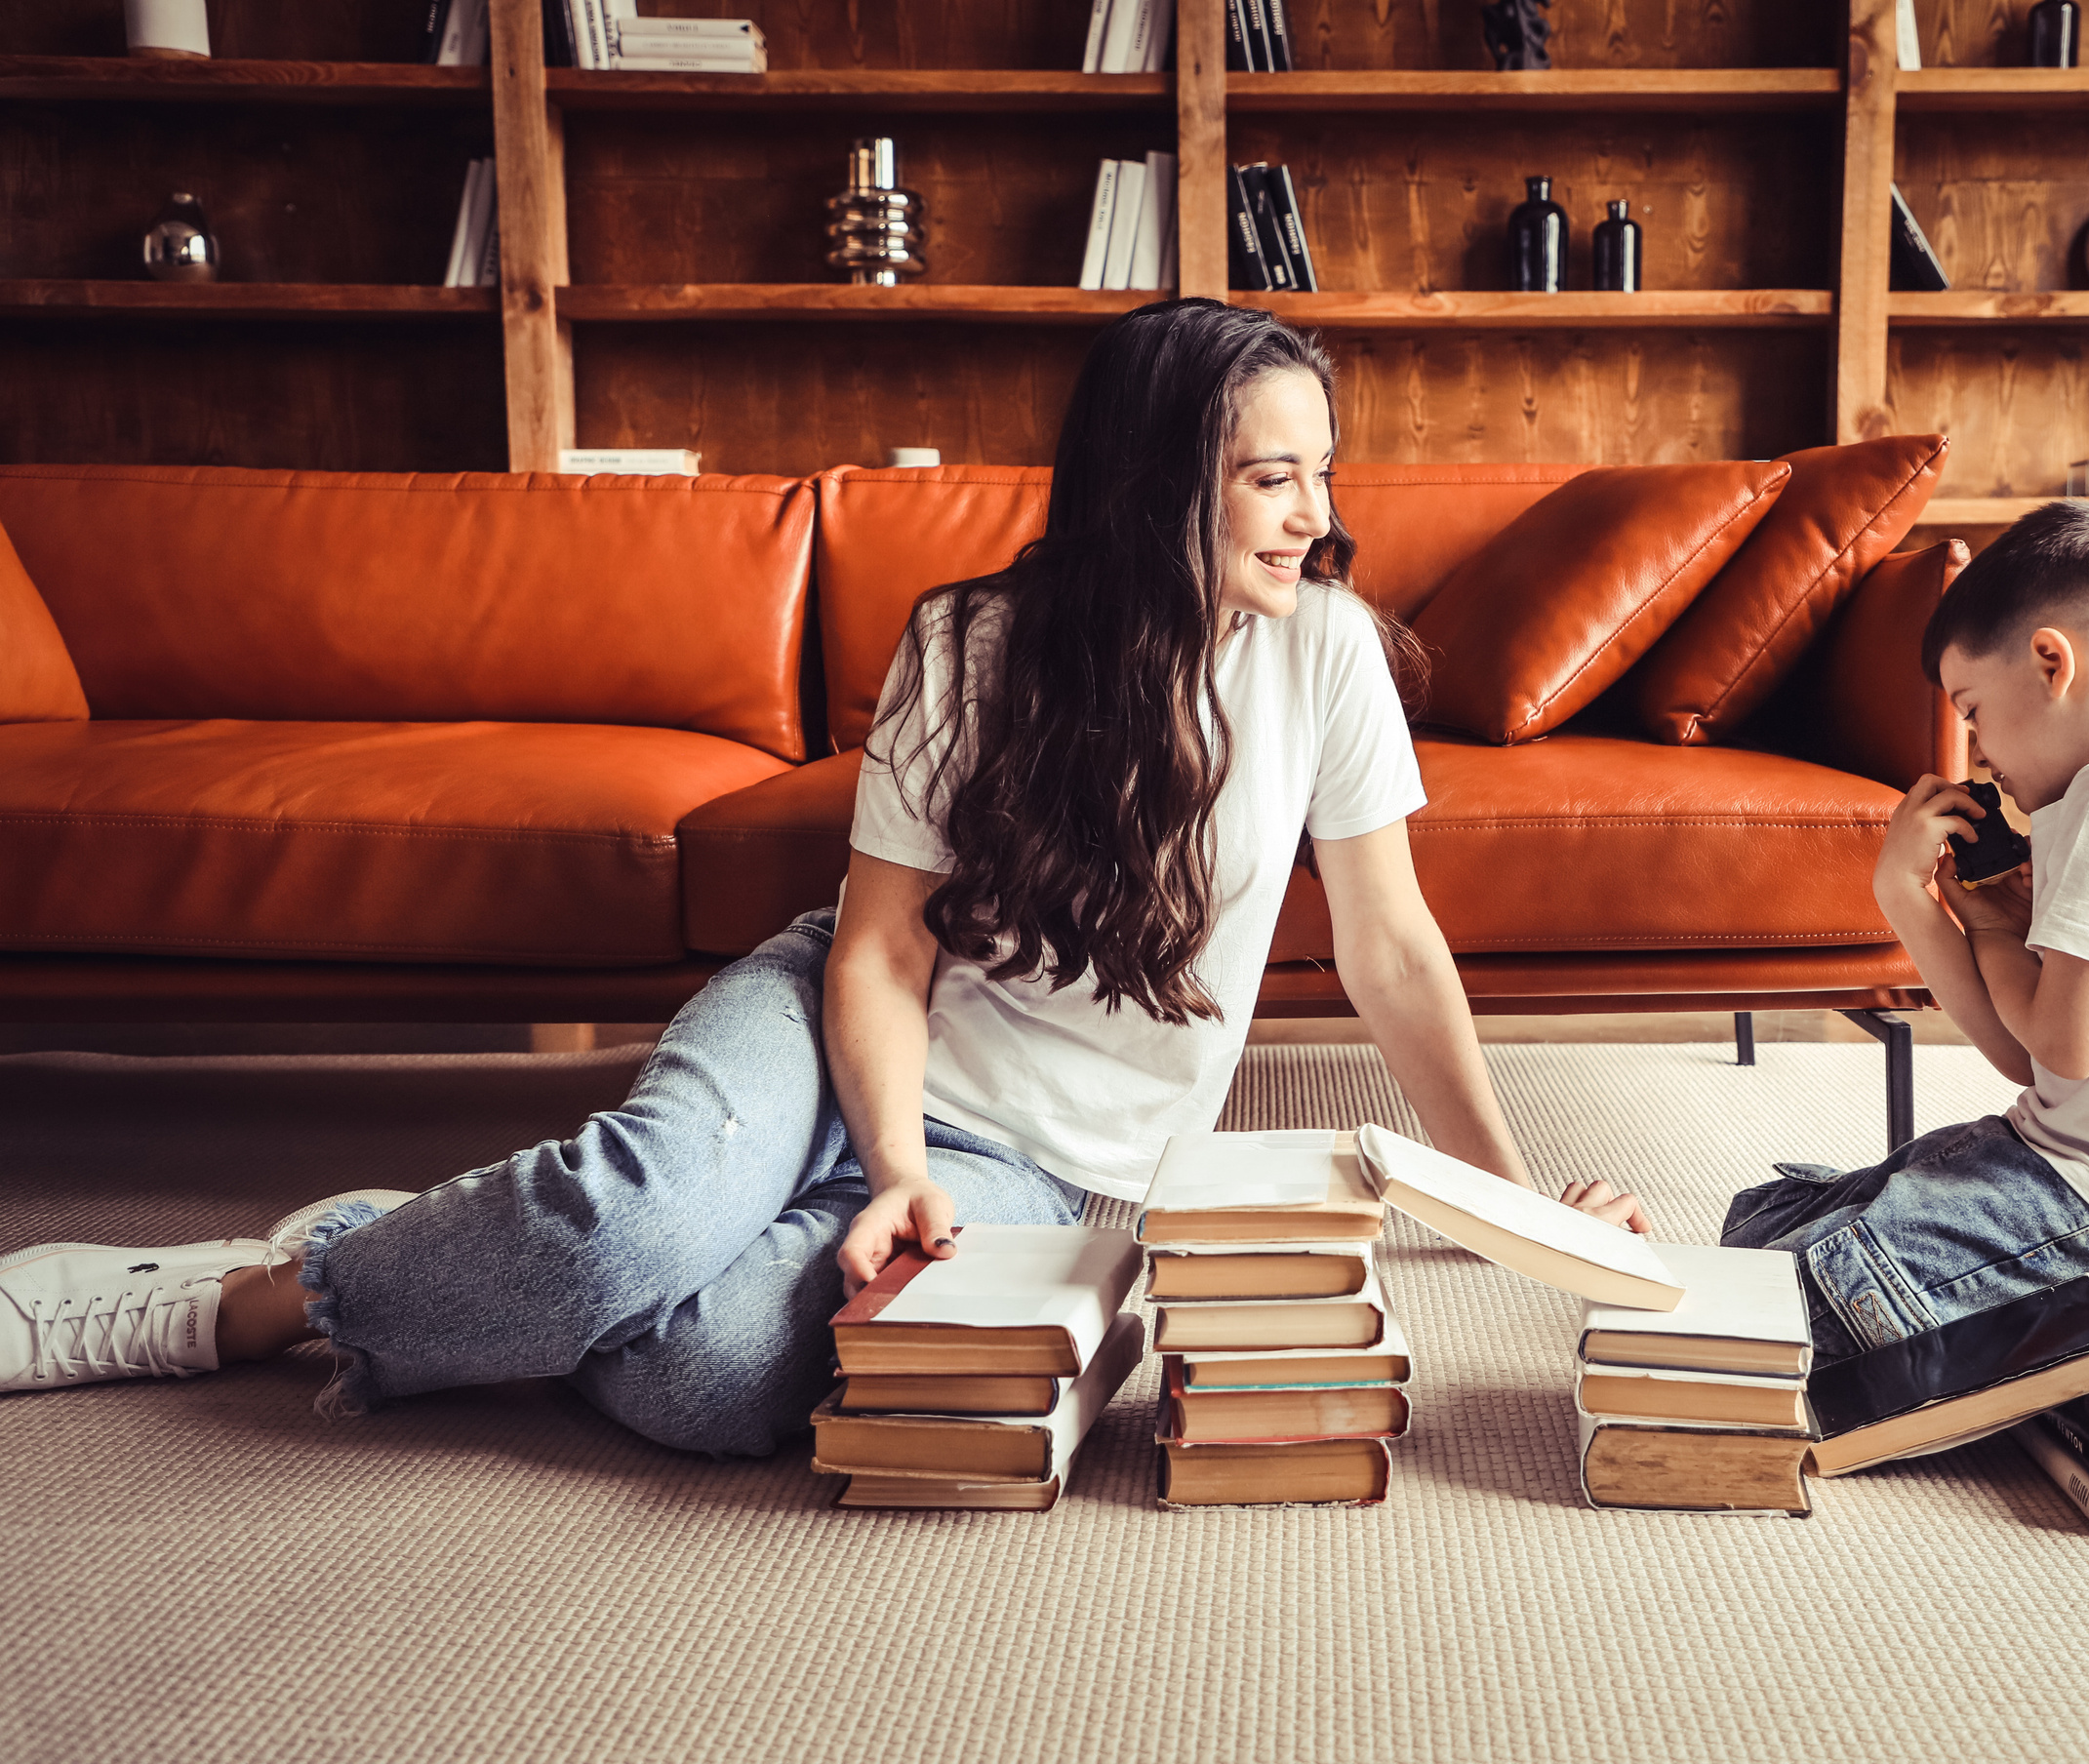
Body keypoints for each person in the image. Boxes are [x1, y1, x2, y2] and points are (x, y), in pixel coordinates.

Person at [0, 300, 1645, 1452]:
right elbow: (873, 950)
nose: (1318, 516)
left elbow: (1395, 951)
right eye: (1272, 476)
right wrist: (895, 1157)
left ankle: (456, 1246)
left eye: (1323, 472)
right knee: (621, 1226)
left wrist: (1505, 1198)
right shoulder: (975, 645)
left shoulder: (1331, 656)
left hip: (1070, 1165)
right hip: (845, 1017)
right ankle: (248, 1296)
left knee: (719, 1378)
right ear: (1160, 488)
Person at [1721, 500, 2089, 1364]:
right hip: (2068, 1174)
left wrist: (1997, 934)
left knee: (1771, 1305)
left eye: (1972, 709)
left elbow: (2062, 1047)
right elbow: (2033, 1063)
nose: (1975, 746)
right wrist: (1924, 900)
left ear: (2049, 661)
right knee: (1763, 1224)